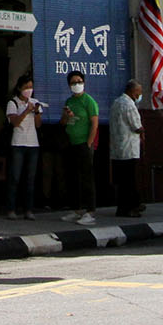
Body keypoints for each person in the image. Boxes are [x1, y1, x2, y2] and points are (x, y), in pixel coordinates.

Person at [60, 70, 100, 226]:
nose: (76, 84)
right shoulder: (69, 101)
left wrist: (89, 143)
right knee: (73, 177)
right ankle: (76, 209)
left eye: (79, 81)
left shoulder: (88, 101)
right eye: (73, 82)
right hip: (72, 143)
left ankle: (90, 211)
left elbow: (94, 123)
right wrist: (66, 115)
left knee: (87, 178)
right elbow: (63, 123)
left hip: (84, 144)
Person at [4, 74, 44, 219]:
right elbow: (15, 122)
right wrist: (26, 110)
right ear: (20, 88)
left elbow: (38, 125)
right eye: (26, 87)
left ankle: (28, 209)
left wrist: (37, 112)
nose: (29, 90)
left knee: (30, 178)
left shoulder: (35, 102)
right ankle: (11, 209)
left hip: (33, 144)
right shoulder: (12, 103)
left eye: (31, 87)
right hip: (18, 143)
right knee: (15, 177)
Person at [110, 80, 145, 218]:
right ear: (132, 91)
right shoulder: (129, 105)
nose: (140, 95)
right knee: (130, 180)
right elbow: (136, 126)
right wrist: (143, 131)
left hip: (117, 149)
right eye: (139, 92)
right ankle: (131, 208)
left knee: (122, 181)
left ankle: (122, 208)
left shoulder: (116, 103)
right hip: (129, 148)